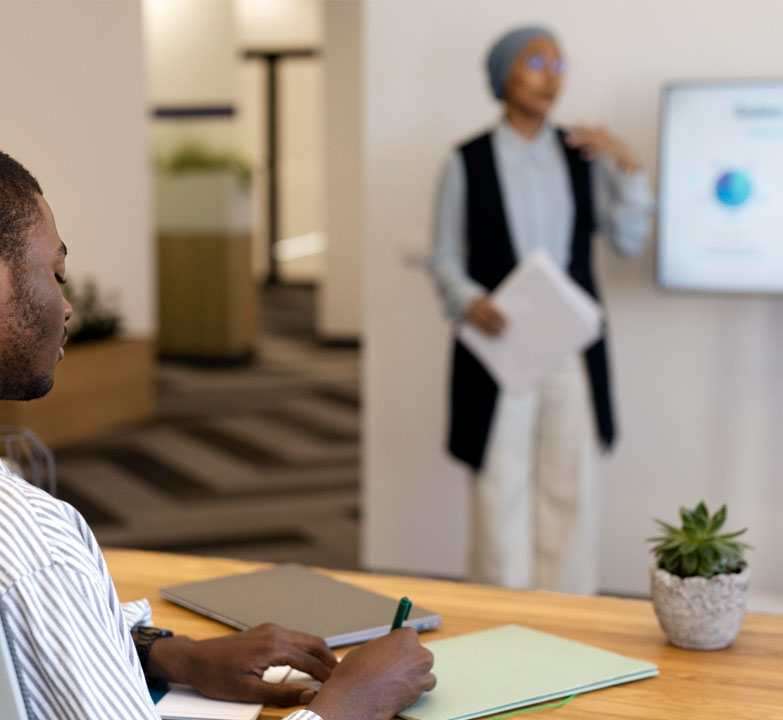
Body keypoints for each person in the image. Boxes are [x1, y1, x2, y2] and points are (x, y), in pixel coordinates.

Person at [0, 150, 436, 719]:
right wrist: (352, 700)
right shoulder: (33, 547)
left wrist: (174, 655)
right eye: (56, 274)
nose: (67, 306)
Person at [427, 26, 653, 593]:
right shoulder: (466, 160)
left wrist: (627, 164)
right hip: (501, 346)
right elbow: (444, 256)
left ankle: (567, 609)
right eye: (535, 63)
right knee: (498, 483)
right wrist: (468, 300)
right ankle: (501, 609)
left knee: (569, 485)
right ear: (503, 75)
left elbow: (627, 240)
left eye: (559, 65)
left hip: (570, 345)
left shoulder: (583, 156)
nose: (552, 77)